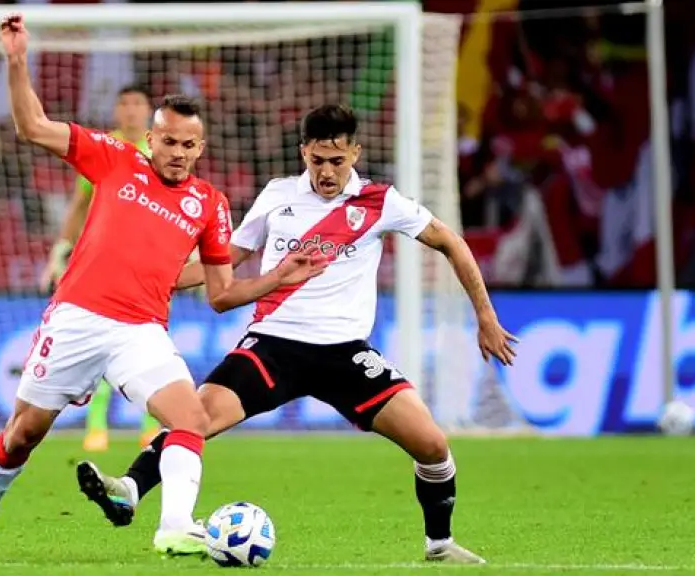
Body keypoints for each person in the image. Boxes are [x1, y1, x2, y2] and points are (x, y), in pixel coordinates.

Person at [0, 14, 328, 563]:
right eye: (169, 141)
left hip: (140, 330)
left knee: (189, 418)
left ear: (201, 145)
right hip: (76, 317)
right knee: (22, 434)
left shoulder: (209, 204)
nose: (179, 152)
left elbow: (219, 293)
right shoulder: (114, 159)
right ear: (150, 138)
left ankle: (175, 527)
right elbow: (34, 127)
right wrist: (18, 60)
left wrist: (277, 278)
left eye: (189, 144)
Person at [75, 104, 518, 565]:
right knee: (195, 417)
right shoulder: (277, 195)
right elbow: (230, 257)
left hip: (344, 354)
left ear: (355, 153)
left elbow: (451, 241)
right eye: (317, 160)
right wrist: (157, 279)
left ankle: (439, 545)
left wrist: (485, 317)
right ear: (302, 151)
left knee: (432, 444)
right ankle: (127, 490)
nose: (327, 171)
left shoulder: (382, 202)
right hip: (273, 345)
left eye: (338, 160)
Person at [39, 84, 164, 453]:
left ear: (149, 111)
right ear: (115, 110)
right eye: (124, 103)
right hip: (105, 265)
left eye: (137, 103)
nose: (130, 111)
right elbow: (80, 204)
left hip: (149, 266)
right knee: (104, 344)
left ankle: (150, 427)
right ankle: (96, 427)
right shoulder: (103, 148)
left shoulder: (163, 150)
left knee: (152, 346)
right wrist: (61, 250)